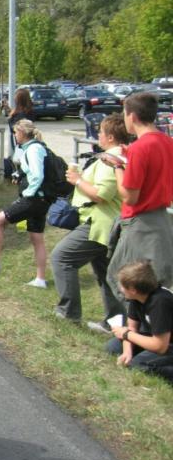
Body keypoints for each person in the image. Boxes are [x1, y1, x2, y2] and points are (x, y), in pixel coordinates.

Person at [96, 92, 173, 331]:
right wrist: (128, 157)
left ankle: (146, 331)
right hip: (161, 217)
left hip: (140, 220)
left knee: (121, 277)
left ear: (132, 116)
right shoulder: (166, 141)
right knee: (152, 277)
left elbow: (130, 196)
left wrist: (117, 167)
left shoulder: (140, 148)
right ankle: (145, 331)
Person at [51, 114, 128, 324]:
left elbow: (102, 194)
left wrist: (77, 180)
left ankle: (68, 312)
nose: (97, 135)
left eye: (101, 132)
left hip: (100, 223)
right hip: (107, 223)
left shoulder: (112, 160)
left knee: (62, 258)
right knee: (106, 273)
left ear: (110, 137)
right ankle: (115, 322)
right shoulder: (120, 156)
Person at [0, 119, 50, 287]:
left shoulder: (33, 149)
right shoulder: (36, 147)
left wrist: (27, 193)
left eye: (15, 132)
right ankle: (40, 279)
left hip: (33, 198)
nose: (14, 135)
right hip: (42, 199)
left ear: (22, 133)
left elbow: (38, 175)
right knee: (36, 238)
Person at [106, 261, 173, 384]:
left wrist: (126, 334)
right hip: (156, 340)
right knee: (113, 347)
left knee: (138, 365)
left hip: (166, 344)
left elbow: (160, 346)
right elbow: (132, 327)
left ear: (132, 289)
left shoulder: (160, 302)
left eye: (122, 286)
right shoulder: (136, 298)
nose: (120, 289)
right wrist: (127, 352)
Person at [5, 88, 34, 176]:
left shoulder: (21, 114)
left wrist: (10, 116)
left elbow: (14, 127)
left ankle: (19, 175)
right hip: (26, 139)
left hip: (20, 140)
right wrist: (9, 109)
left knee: (20, 158)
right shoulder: (29, 111)